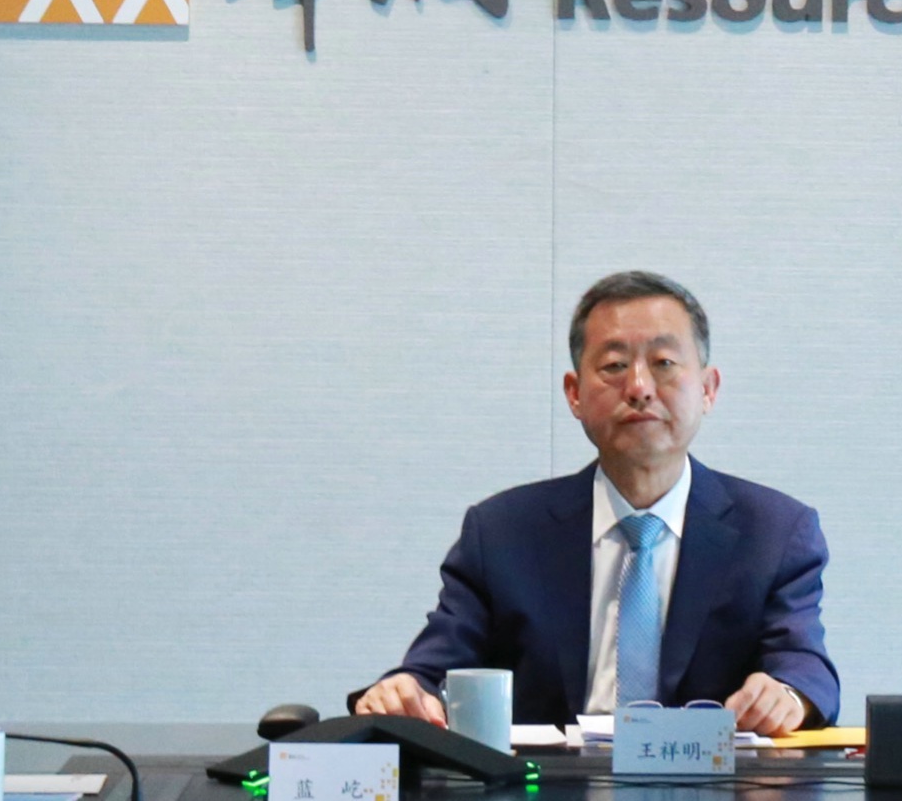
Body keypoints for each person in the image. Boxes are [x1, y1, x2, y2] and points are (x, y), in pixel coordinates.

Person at [349, 271, 838, 734]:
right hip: (549, 781)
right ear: (574, 394)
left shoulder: (774, 531)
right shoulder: (502, 532)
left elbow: (804, 664)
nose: (640, 388)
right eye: (614, 366)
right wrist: (404, 691)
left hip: (710, 779)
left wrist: (787, 695)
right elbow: (433, 669)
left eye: (664, 363)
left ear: (708, 390)